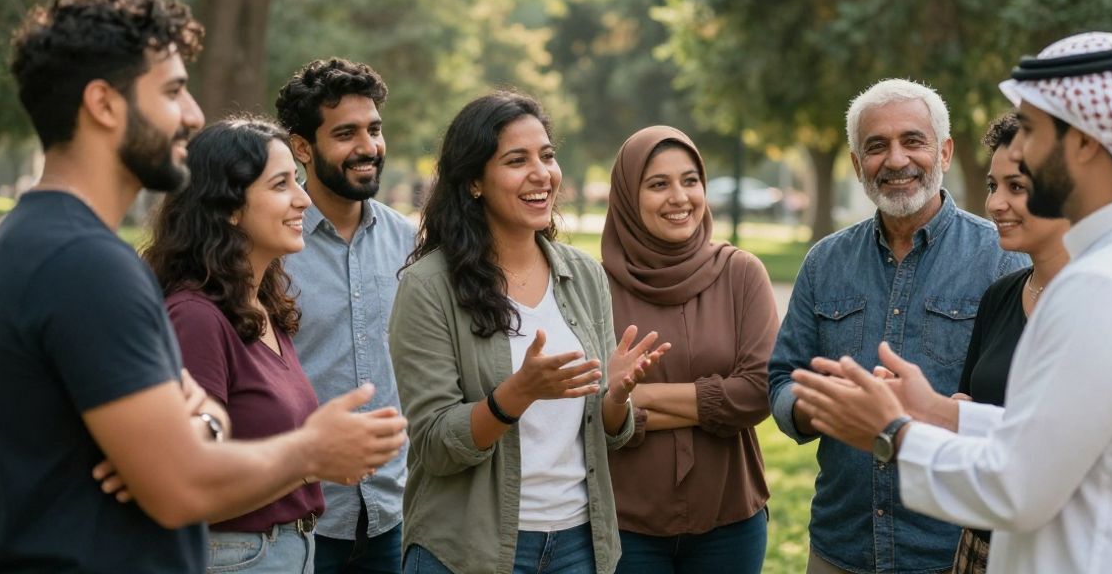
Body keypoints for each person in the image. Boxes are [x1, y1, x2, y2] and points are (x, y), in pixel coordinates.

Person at [0, 0, 407, 573]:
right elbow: (182, 488)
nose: (192, 114)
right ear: (104, 103)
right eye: (172, 91)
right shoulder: (85, 264)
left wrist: (201, 425)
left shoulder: (31, 239)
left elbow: (184, 447)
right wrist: (313, 448)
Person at [795, 32, 1112, 573]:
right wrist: (937, 410)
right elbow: (1060, 439)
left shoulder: (1106, 286)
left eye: (1035, 132)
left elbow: (1018, 486)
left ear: (1086, 142)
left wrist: (891, 433)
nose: (1020, 151)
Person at [388, 92, 667, 574]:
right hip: (469, 549)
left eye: (547, 155)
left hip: (579, 544)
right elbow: (434, 444)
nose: (542, 174)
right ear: (474, 181)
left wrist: (616, 397)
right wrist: (516, 394)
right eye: (517, 160)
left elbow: (606, 433)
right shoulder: (428, 287)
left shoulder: (583, 274)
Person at [766, 78, 1028, 574]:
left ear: (945, 152)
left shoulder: (1003, 259)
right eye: (876, 146)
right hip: (841, 548)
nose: (895, 159)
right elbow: (781, 380)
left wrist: (932, 411)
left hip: (947, 550)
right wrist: (825, 408)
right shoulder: (825, 261)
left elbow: (1025, 414)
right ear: (855, 164)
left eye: (913, 141)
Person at [142, 117, 346, 572]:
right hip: (237, 558)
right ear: (231, 206)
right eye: (281, 185)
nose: (304, 199)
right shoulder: (195, 317)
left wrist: (325, 457)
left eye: (297, 179)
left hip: (288, 551)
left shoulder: (263, 306)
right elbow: (188, 484)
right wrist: (312, 455)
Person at [601, 125, 778, 574]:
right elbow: (589, 410)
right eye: (658, 184)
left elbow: (758, 393)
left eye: (690, 180)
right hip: (627, 525)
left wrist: (636, 399)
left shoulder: (741, 274)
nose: (680, 197)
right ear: (627, 196)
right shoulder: (594, 285)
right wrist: (715, 401)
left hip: (730, 521)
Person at [276, 58, 416, 574]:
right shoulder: (271, 248)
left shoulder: (412, 244)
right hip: (301, 518)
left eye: (374, 129)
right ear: (302, 148)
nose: (368, 147)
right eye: (346, 133)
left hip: (395, 514)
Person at [949, 112, 1069, 574]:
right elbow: (971, 407)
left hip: (1063, 550)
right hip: (983, 544)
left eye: (1016, 187)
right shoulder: (1000, 295)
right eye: (991, 186)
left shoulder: (1101, 302)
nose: (995, 204)